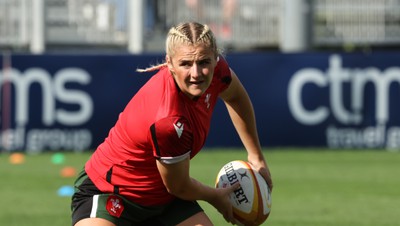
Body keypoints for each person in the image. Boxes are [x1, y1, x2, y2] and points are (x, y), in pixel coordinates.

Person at [71, 21, 273, 226]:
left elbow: (236, 97)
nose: (196, 73)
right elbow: (179, 186)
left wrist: (256, 156)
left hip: (164, 200)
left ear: (215, 59)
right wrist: (216, 197)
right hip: (112, 192)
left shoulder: (217, 72)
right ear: (169, 63)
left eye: (204, 62)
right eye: (185, 64)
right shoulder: (168, 120)